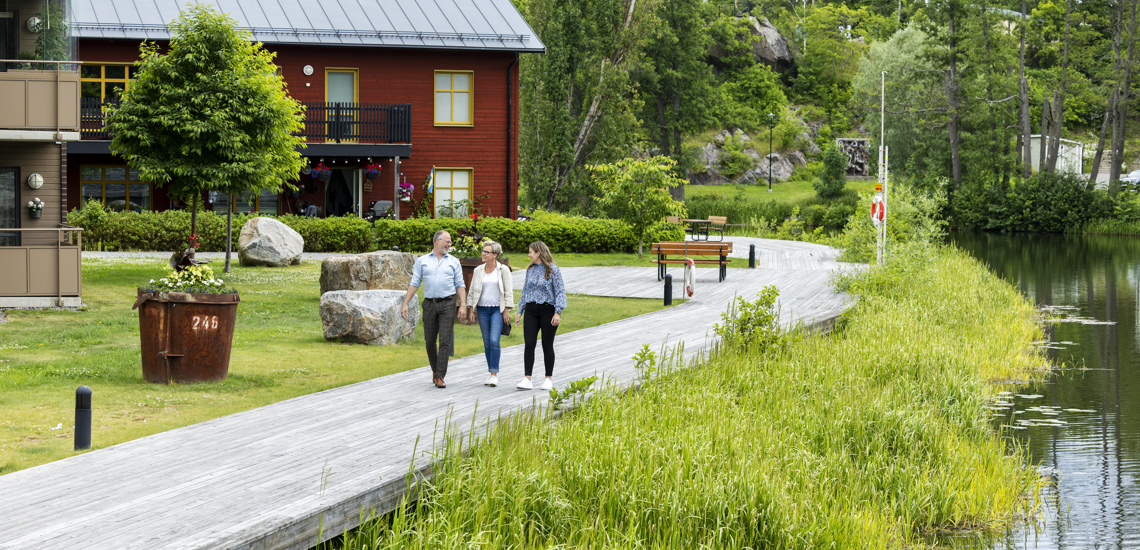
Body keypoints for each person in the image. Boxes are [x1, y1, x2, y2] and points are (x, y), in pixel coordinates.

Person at [401, 230, 466, 388]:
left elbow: (460, 284)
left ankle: (440, 376)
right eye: (447, 241)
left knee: (445, 341)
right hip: (429, 304)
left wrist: (463, 304)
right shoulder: (422, 261)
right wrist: (405, 303)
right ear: (437, 241)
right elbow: (415, 283)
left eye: (450, 242)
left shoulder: (453, 262)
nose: (449, 245)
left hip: (448, 303)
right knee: (430, 341)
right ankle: (436, 370)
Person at [514, 241, 566, 391]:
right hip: (531, 309)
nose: (528, 255)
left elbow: (561, 292)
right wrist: (520, 310)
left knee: (547, 344)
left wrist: (558, 312)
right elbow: (525, 290)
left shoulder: (553, 270)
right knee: (529, 343)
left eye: (530, 252)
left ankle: (548, 378)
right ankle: (527, 378)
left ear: (538, 253)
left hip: (548, 310)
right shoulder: (530, 270)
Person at [464, 240, 514, 387]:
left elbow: (508, 291)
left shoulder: (503, 270)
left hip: (498, 309)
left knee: (494, 340)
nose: (483, 254)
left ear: (495, 255)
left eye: (487, 252)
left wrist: (506, 311)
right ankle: (490, 373)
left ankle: (494, 374)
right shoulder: (478, 270)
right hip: (482, 309)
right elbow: (473, 290)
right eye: (483, 251)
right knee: (487, 343)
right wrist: (471, 309)